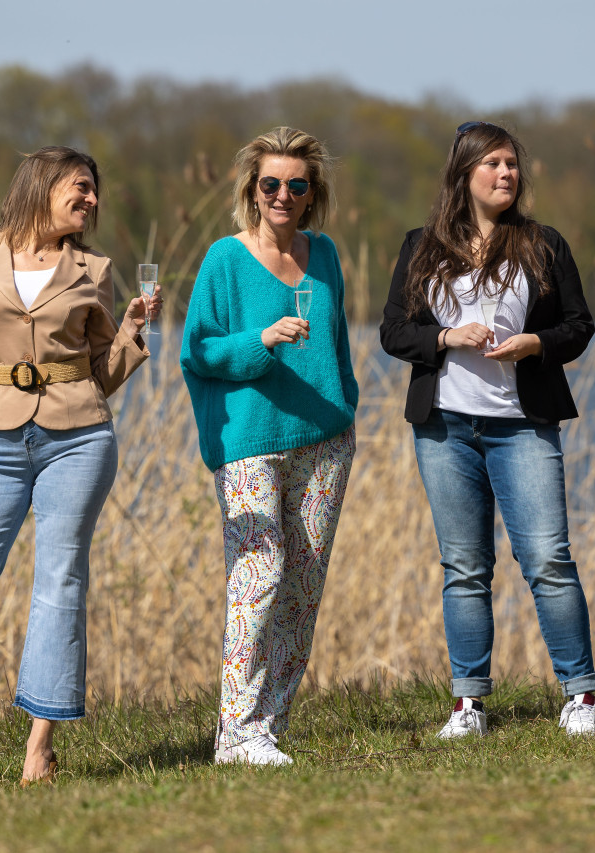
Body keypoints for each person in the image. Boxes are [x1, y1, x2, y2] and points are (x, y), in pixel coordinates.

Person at [0, 146, 159, 790]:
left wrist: (133, 333)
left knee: (59, 582)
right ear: (43, 185)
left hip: (78, 441)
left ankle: (39, 749)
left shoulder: (94, 269)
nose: (93, 201)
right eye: (81, 187)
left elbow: (99, 375)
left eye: (95, 192)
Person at [380, 121, 595, 739]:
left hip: (522, 428)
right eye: (494, 164)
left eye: (512, 165)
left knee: (548, 560)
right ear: (464, 174)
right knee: (464, 568)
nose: (507, 174)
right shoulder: (421, 246)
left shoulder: (543, 243)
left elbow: (579, 327)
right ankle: (468, 704)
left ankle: (580, 697)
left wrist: (535, 343)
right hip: (445, 430)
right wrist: (447, 337)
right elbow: (393, 332)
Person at [181, 127, 358, 766]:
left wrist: (347, 404)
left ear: (313, 194)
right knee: (260, 575)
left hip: (326, 441)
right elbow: (197, 350)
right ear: (252, 192)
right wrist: (262, 339)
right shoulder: (224, 260)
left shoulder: (327, 254)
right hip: (251, 442)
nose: (283, 195)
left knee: (304, 587)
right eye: (270, 185)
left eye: (296, 185)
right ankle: (236, 730)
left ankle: (267, 728)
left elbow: (336, 344)